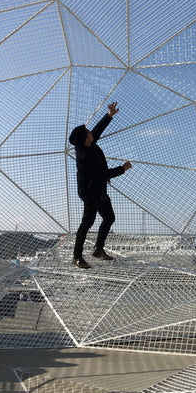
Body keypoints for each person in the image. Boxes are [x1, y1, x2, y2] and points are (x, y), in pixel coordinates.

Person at [68, 102, 132, 269]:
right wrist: (123, 169)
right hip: (90, 193)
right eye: (87, 132)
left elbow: (97, 131)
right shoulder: (84, 157)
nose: (90, 132)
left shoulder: (88, 143)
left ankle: (98, 249)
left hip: (99, 190)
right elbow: (103, 174)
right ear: (85, 138)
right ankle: (76, 256)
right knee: (87, 223)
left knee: (109, 217)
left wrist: (109, 115)